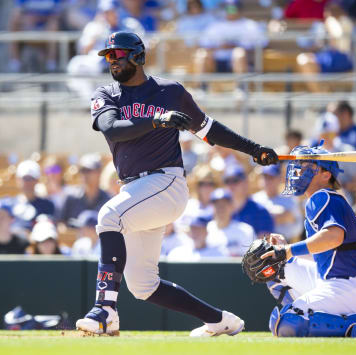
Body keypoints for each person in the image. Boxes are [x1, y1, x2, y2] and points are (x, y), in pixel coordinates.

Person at [75, 31, 278, 337]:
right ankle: (220, 320)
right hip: (134, 190)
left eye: (118, 54)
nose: (112, 61)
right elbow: (112, 129)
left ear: (138, 56)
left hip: (166, 183)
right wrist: (158, 119)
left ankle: (104, 310)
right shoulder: (106, 94)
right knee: (143, 286)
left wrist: (254, 149)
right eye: (108, 56)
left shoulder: (170, 91)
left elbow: (209, 131)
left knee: (108, 217)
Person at [253, 144, 356, 337]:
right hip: (333, 280)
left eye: (307, 166)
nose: (298, 171)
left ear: (326, 175)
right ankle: (307, 314)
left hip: (348, 286)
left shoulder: (322, 197)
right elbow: (326, 252)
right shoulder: (325, 199)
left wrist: (289, 250)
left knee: (285, 323)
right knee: (275, 266)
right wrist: (286, 248)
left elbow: (334, 237)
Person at [195, 0, 268, 77]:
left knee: (238, 53)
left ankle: (241, 86)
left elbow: (263, 43)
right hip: (217, 61)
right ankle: (201, 86)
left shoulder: (250, 25)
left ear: (239, 9)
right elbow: (203, 43)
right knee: (201, 54)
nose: (230, 12)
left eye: (233, 9)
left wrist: (237, 46)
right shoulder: (215, 25)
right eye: (227, 9)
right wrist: (220, 47)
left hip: (243, 61)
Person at [252, 165, 304, 242]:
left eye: (271, 177)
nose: (267, 181)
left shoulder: (289, 200)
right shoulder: (254, 199)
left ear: (279, 179)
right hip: (258, 242)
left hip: (284, 242)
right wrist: (275, 218)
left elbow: (298, 227)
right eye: (265, 177)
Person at [8, 0, 63, 72]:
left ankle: (51, 63)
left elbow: (58, 14)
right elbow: (17, 12)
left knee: (53, 24)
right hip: (27, 27)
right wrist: (26, 20)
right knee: (14, 21)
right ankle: (15, 61)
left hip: (46, 27)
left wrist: (39, 18)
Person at [223, 164, 275, 237]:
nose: (231, 185)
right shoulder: (221, 211)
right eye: (227, 181)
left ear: (245, 183)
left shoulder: (260, 211)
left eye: (235, 180)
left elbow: (265, 244)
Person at [60, 154, 111, 225]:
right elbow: (62, 225)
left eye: (89, 170)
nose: (85, 174)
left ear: (99, 173)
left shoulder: (108, 200)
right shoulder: (71, 198)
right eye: (82, 170)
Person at [207, 188, 256, 256]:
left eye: (224, 205)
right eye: (217, 205)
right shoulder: (205, 230)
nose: (221, 208)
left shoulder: (246, 230)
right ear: (211, 207)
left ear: (232, 206)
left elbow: (251, 259)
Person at [11, 160, 55, 233]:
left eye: (31, 179)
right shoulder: (10, 205)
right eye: (25, 178)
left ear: (37, 180)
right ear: (18, 180)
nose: (28, 182)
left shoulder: (47, 205)